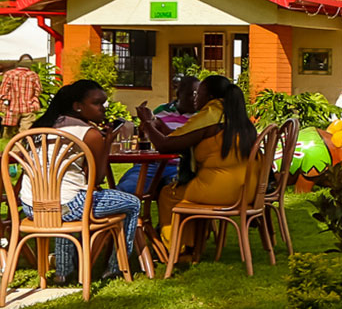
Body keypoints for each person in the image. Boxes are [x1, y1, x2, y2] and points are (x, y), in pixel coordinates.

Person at [23, 80, 140, 282]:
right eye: (97, 103)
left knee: (65, 199)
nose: (103, 108)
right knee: (133, 203)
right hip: (67, 206)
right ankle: (115, 267)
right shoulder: (89, 133)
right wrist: (107, 143)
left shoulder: (42, 126)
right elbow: (98, 177)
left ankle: (63, 271)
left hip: (31, 205)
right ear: (77, 106)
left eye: (104, 103)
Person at [138, 74, 259, 255]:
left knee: (168, 194)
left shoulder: (210, 114)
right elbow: (182, 138)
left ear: (209, 96)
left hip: (220, 190)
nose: (196, 98)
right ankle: (191, 244)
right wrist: (159, 125)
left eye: (199, 93)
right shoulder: (234, 115)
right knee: (183, 189)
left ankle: (176, 249)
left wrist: (147, 123)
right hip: (247, 189)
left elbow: (165, 145)